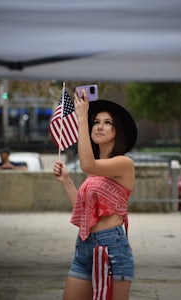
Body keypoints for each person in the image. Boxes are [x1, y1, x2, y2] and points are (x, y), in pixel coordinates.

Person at [53, 90, 137, 300]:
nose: (99, 126)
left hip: (111, 248)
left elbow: (87, 163)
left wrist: (82, 117)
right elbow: (84, 211)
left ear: (117, 131)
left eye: (107, 122)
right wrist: (67, 181)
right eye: (96, 121)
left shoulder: (124, 164)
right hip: (84, 247)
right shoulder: (95, 171)